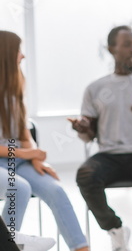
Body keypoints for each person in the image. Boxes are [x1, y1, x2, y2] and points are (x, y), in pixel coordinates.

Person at [70, 25, 132, 251]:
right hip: (108, 155)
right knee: (85, 175)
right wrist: (81, 127)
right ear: (111, 49)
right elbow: (89, 134)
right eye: (127, 45)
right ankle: (115, 229)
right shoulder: (96, 88)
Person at [0, 30, 88, 251]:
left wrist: (36, 158)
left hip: (17, 160)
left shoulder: (16, 86)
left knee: (56, 190)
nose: (23, 56)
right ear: (6, 54)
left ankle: (82, 248)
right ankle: (7, 245)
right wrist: (23, 154)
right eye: (18, 51)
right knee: (18, 188)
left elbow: (23, 131)